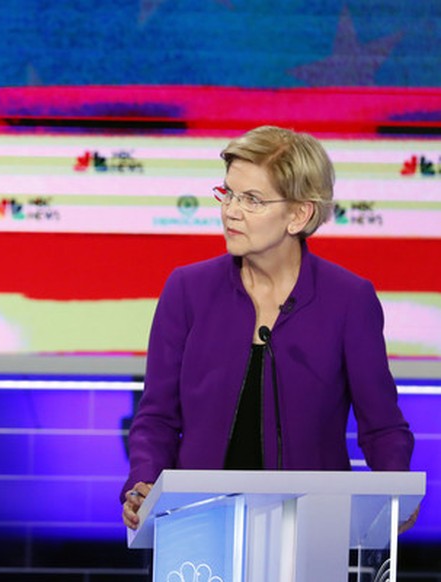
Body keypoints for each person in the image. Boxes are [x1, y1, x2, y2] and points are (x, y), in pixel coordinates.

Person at [121, 125, 415, 530]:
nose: (231, 211)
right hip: (198, 525)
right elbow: (156, 418)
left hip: (311, 528)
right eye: (228, 193)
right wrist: (144, 481)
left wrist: (394, 492)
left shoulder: (348, 299)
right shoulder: (187, 289)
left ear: (299, 214)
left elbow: (382, 425)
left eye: (252, 200)